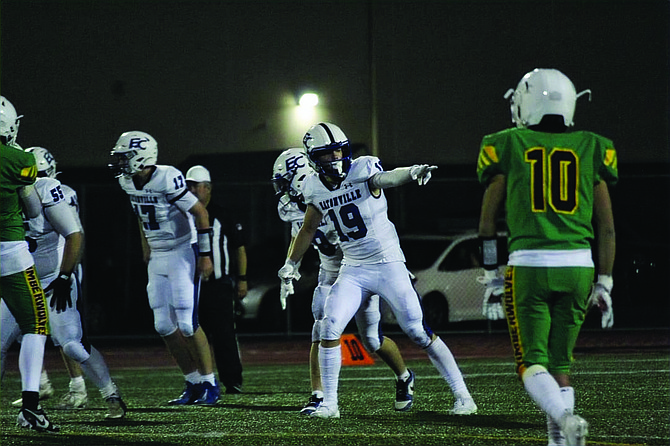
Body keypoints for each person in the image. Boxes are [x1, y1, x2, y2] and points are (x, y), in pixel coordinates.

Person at [278, 123, 476, 419]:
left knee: (417, 331)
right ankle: (330, 404)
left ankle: (463, 396)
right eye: (327, 154)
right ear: (314, 159)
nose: (335, 158)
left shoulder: (362, 170)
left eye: (338, 151)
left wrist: (411, 172)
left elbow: (387, 178)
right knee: (330, 326)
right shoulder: (314, 187)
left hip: (388, 265)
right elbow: (307, 228)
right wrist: (290, 264)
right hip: (353, 268)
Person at [476, 68, 617, 446]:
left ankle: (565, 419)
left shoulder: (508, 143)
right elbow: (606, 228)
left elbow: (487, 223)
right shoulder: (592, 146)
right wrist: (605, 281)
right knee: (560, 365)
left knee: (530, 362)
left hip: (530, 266)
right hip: (580, 267)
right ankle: (561, 442)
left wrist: (491, 275)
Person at [272, 148, 416, 416]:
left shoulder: (329, 192)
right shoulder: (301, 207)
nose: (282, 191)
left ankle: (404, 375)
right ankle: (319, 395)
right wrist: (289, 268)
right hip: (330, 274)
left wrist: (394, 266)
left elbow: (374, 228)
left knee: (371, 340)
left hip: (360, 270)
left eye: (284, 182)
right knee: (321, 327)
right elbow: (301, 236)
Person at [2, 146, 127, 419]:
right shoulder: (6, 189)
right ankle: (34, 401)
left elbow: (74, 234)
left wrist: (64, 275)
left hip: (51, 278)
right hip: (20, 279)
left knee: (71, 344)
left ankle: (111, 394)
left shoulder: (49, 189)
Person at [109, 130, 220, 405]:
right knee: (162, 325)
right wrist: (146, 245)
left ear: (142, 157)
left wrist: (205, 255)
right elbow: (140, 215)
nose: (121, 162)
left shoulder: (167, 177)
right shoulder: (127, 181)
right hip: (158, 254)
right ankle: (193, 382)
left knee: (187, 322)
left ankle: (210, 384)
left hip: (182, 250)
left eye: (126, 156)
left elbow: (200, 213)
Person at [0, 96, 58, 432]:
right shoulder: (20, 159)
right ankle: (32, 408)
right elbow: (34, 211)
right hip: (9, 252)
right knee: (36, 326)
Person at [185, 165, 247, 395]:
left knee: (224, 335)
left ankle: (232, 380)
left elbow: (239, 247)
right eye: (188, 185)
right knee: (192, 332)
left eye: (195, 185)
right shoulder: (183, 214)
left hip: (218, 285)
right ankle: (200, 380)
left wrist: (241, 278)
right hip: (191, 285)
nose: (191, 190)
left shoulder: (223, 213)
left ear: (207, 188)